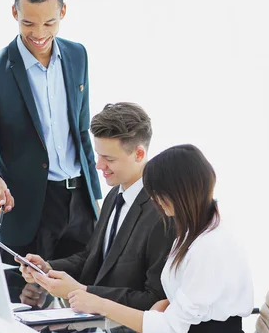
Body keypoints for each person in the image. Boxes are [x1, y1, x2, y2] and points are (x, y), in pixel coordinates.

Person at [67, 144, 255, 333]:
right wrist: (163, 305)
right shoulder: (193, 231)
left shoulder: (210, 247)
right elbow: (192, 298)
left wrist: (100, 304)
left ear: (178, 192)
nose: (154, 199)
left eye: (157, 192)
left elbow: (173, 328)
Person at [0, 0, 101, 263]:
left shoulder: (78, 55)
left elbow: (81, 131)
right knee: (22, 304)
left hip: (81, 206)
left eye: (49, 23)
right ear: (15, 13)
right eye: (28, 23)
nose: (39, 33)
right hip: (27, 213)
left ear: (63, 12)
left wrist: (95, 199)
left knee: (84, 302)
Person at [18, 102, 175, 311]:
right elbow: (92, 257)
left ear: (139, 154)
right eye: (98, 155)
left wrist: (84, 292)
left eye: (109, 158)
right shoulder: (114, 195)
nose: (99, 165)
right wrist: (48, 268)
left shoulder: (164, 212)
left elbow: (154, 299)